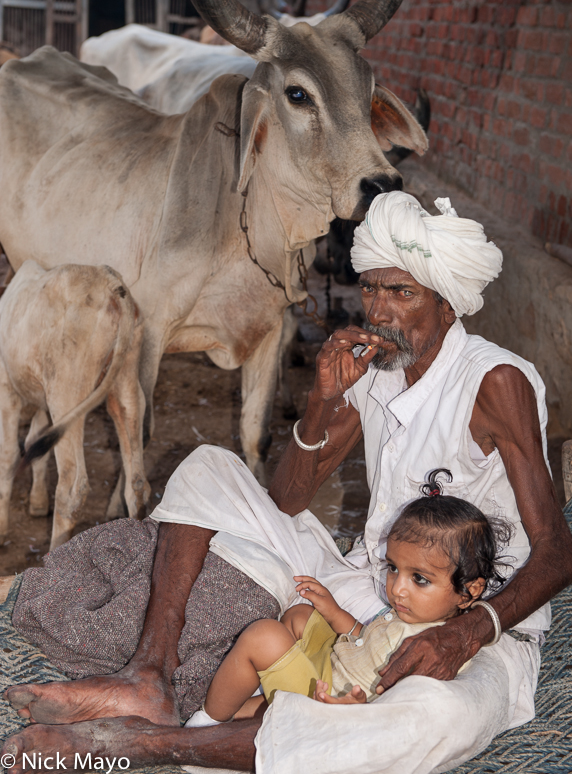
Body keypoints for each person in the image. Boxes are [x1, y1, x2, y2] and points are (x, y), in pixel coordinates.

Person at [3, 191, 572, 774]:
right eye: (372, 289)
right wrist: (323, 403)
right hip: (366, 579)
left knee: (432, 720)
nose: (380, 311)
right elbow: (288, 501)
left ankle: (144, 746)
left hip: (474, 618)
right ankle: (148, 678)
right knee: (206, 468)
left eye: (402, 293)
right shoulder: (377, 369)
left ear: (447, 305)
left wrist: (467, 634)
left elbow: (557, 552)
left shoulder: (494, 382)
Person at [189, 473, 513, 727]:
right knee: (302, 615)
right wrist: (332, 610)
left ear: (470, 590)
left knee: (264, 636)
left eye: (420, 579)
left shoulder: (437, 650)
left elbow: (402, 713)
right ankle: (251, 698)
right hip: (331, 673)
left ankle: (203, 729)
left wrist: (359, 714)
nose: (397, 588)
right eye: (393, 569)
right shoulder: (416, 614)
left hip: (335, 707)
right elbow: (363, 637)